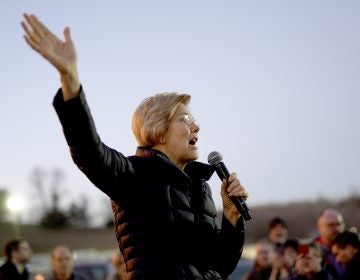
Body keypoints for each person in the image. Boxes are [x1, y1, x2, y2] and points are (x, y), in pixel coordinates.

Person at [21, 14, 248, 279]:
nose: (196, 127)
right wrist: (69, 78)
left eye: (195, 120)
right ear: (158, 131)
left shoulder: (201, 186)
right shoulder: (134, 174)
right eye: (185, 119)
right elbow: (90, 152)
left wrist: (232, 218)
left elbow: (219, 264)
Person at [313, 208, 345, 279]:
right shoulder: (311, 252)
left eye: (339, 224)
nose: (337, 228)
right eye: (331, 225)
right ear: (319, 228)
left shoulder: (352, 249)